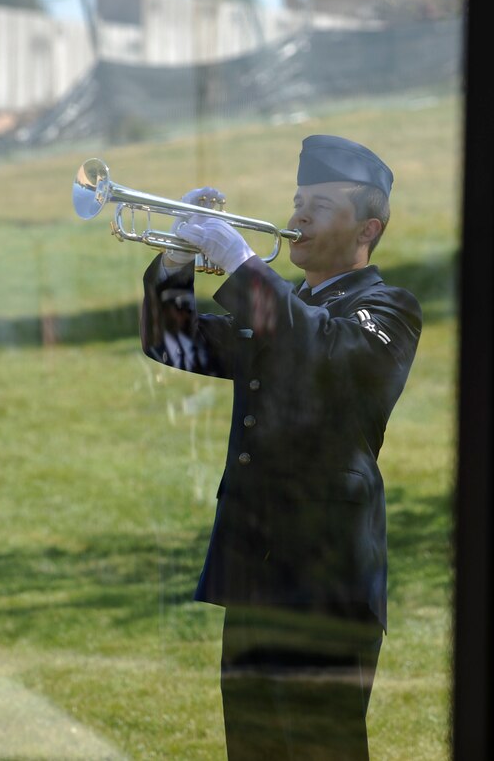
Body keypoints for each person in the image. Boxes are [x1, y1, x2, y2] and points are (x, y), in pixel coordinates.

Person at [140, 134, 422, 759]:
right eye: (297, 200)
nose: (296, 215)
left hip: (327, 580)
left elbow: (324, 353)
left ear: (365, 230)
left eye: (318, 205)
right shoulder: (283, 306)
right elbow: (173, 341)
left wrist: (243, 266)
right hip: (256, 569)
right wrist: (176, 255)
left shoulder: (390, 310)